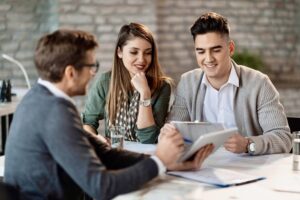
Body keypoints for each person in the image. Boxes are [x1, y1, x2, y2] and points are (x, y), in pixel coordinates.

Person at [4, 29, 214, 200]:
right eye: (90, 66)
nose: (93, 72)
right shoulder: (55, 111)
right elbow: (101, 187)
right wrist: (159, 161)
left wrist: (170, 163)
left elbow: (104, 153)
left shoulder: (39, 97)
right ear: (70, 72)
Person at [162, 12, 292, 155]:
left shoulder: (259, 84)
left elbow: (283, 138)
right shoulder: (187, 83)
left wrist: (248, 144)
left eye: (215, 50)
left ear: (230, 48)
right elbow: (172, 130)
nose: (208, 58)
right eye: (201, 51)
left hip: (248, 170)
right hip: (202, 168)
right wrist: (167, 133)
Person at [82, 23, 172, 144]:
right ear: (119, 52)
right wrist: (97, 141)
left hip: (146, 154)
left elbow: (148, 138)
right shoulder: (106, 81)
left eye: (148, 53)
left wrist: (145, 93)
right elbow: (88, 122)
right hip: (116, 154)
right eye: (134, 52)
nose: (142, 59)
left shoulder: (162, 86)